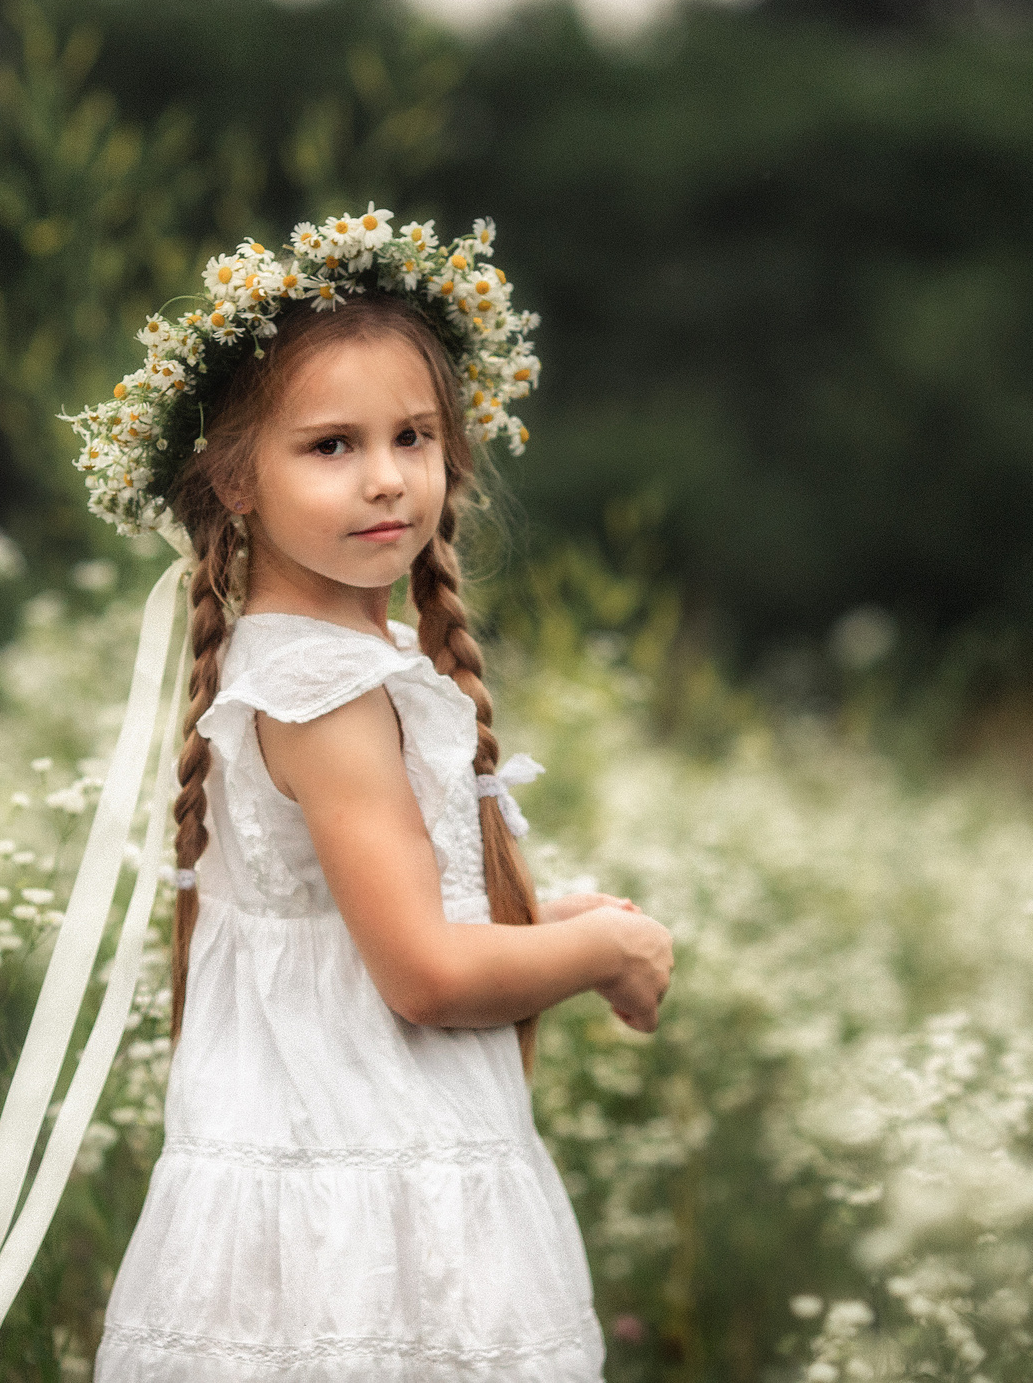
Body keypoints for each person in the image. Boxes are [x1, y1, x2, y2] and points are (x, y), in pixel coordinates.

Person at [84, 210, 676, 1380]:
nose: (386, 479)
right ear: (231, 479)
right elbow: (425, 976)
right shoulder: (329, 689)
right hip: (371, 1200)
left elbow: (347, 939)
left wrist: (541, 925)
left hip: (318, 1166)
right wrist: (608, 945)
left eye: (412, 436)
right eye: (329, 446)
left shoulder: (295, 660)